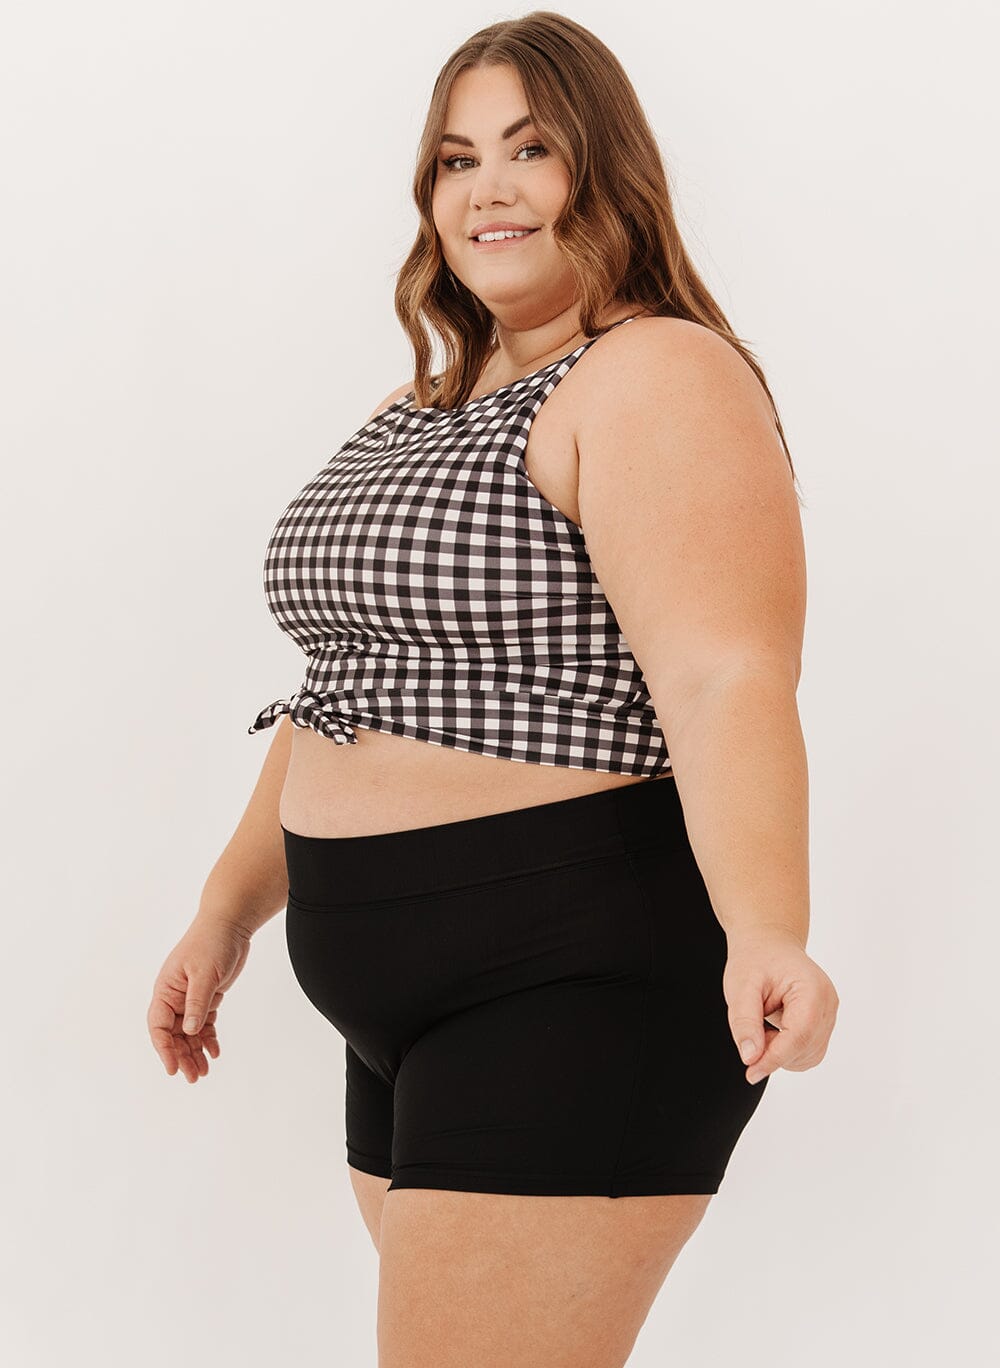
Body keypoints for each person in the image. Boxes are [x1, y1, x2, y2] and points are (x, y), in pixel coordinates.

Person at [147, 11, 839, 1365]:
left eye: (531, 149)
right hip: (395, 1002)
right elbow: (337, 685)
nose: (488, 189)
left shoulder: (655, 373)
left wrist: (768, 925)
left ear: (607, 170)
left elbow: (724, 675)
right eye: (456, 160)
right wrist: (226, 911)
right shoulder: (430, 403)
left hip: (570, 970)